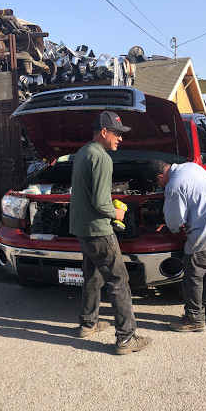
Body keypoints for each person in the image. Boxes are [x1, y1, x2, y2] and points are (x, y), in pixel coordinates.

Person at [69, 110, 152, 355]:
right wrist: (115, 212)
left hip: (82, 230)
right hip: (99, 230)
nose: (120, 139)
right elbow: (99, 202)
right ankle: (126, 339)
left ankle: (88, 323)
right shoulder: (102, 158)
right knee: (119, 280)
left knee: (92, 276)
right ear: (104, 132)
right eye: (117, 133)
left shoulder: (83, 152)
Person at [143, 160, 206, 332]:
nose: (160, 187)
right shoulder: (191, 167)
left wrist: (164, 227)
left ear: (159, 176)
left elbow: (174, 222)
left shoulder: (173, 185)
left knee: (192, 277)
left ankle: (194, 319)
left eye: (158, 184)